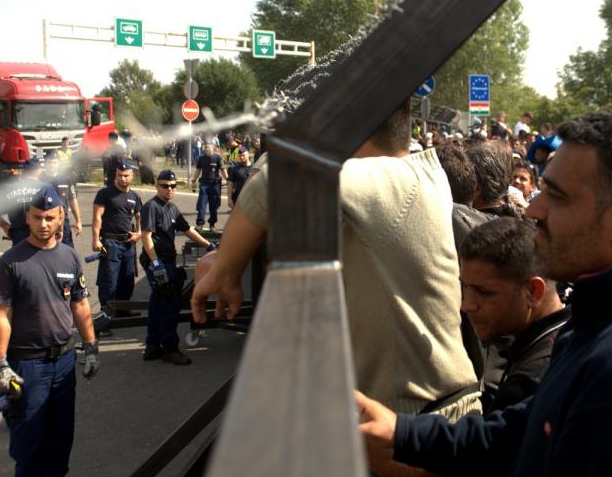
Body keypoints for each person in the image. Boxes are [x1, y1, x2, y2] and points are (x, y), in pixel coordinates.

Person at [354, 110, 612, 476]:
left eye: (556, 197)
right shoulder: (608, 319)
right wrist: (402, 435)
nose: (534, 209)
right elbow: (524, 432)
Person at [194, 98, 481, 420]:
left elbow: (273, 180)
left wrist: (225, 271)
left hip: (419, 427)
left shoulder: (397, 180)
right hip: (419, 418)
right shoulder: (414, 178)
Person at [0, 185, 99, 476]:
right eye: (37, 217)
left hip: (64, 361)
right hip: (28, 365)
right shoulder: (11, 262)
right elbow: (2, 314)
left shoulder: (70, 257)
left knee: (61, 439)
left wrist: (90, 347)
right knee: (30, 444)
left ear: (61, 216)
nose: (43, 224)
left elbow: (81, 306)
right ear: (28, 217)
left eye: (50, 217)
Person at [458, 217, 569, 414]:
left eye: (483, 292)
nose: (466, 305)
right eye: (465, 287)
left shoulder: (533, 380)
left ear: (533, 291)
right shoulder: (564, 338)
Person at [140, 170, 213, 365]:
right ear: (157, 186)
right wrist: (156, 264)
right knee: (169, 305)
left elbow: (187, 229)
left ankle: (152, 346)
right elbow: (146, 236)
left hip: (167, 261)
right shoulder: (151, 207)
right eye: (165, 186)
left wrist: (209, 245)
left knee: (157, 303)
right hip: (158, 261)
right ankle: (169, 349)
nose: (169, 189)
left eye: (173, 186)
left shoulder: (171, 208)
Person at [92, 159, 142, 317]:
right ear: (116, 175)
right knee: (109, 279)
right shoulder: (105, 193)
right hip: (110, 242)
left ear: (132, 176)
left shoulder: (134, 196)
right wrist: (96, 240)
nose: (123, 179)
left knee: (127, 278)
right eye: (120, 175)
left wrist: (138, 233)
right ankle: (105, 314)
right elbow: (97, 217)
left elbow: (139, 216)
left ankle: (122, 308)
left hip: (128, 243)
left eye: (126, 175)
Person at [0, 158, 47, 245]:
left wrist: (5, 226)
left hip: (18, 236)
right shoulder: (45, 188)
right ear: (39, 171)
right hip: (40, 235)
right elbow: (58, 212)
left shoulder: (11, 188)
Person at [44, 152, 82, 246]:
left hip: (63, 221)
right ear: (45, 163)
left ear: (58, 163)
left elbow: (73, 200)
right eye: (49, 162)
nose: (52, 165)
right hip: (45, 222)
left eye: (54, 162)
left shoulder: (66, 179)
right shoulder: (40, 179)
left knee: (67, 252)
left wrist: (78, 221)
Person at [192, 143, 224, 231]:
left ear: (213, 149)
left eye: (208, 148)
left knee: (214, 206)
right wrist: (194, 180)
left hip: (215, 185)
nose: (206, 149)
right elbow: (198, 170)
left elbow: (223, 170)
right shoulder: (201, 158)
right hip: (204, 185)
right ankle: (200, 224)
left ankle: (212, 224)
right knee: (202, 205)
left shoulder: (218, 158)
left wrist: (229, 180)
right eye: (205, 148)